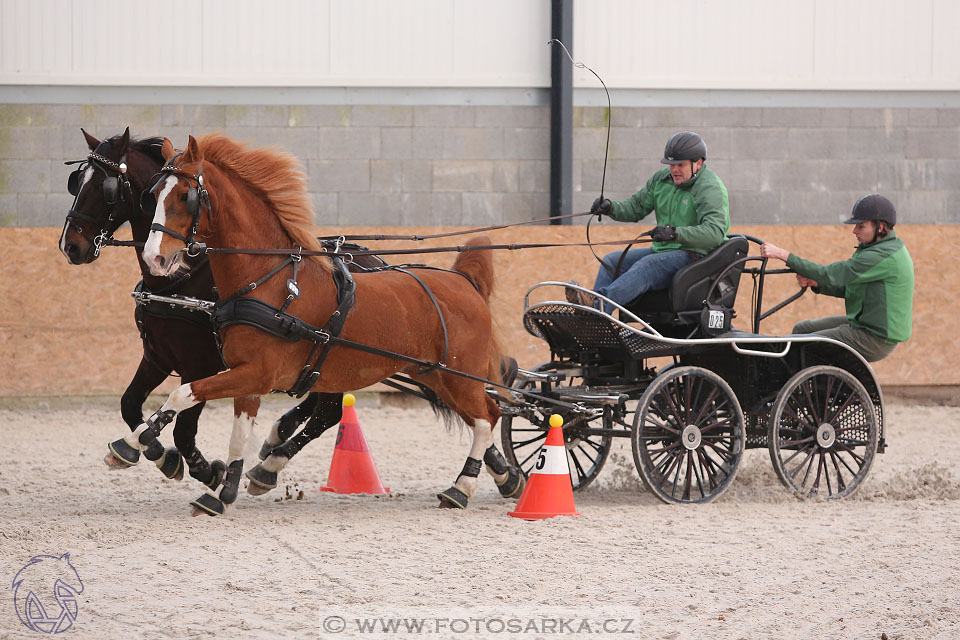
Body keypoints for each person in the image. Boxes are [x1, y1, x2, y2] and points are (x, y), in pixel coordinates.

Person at [567, 131, 730, 312]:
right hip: (664, 250)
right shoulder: (661, 180)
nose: (674, 170)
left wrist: (675, 233)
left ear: (698, 163)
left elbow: (714, 233)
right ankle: (595, 319)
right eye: (671, 164)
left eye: (680, 165)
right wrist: (611, 208)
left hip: (695, 256)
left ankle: (597, 307)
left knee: (648, 265)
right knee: (611, 261)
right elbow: (636, 208)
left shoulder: (709, 188)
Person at [760, 194, 914, 362]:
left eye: (861, 226)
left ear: (880, 227)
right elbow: (850, 287)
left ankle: (803, 384)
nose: (854, 231)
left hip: (874, 338)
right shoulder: (879, 248)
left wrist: (782, 255)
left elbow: (830, 274)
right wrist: (817, 283)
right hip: (864, 324)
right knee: (801, 330)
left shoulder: (882, 255)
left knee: (801, 344)